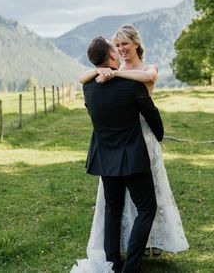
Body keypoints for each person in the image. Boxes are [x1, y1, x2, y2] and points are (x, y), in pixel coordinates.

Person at [72, 25, 189, 272]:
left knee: (135, 201)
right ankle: (129, 261)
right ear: (113, 52)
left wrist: (112, 74)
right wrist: (105, 72)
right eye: (117, 45)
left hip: (135, 141)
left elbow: (148, 78)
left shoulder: (142, 70)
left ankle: (139, 250)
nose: (121, 48)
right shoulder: (109, 76)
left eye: (125, 43)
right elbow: (84, 78)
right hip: (130, 142)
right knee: (136, 205)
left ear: (136, 43)